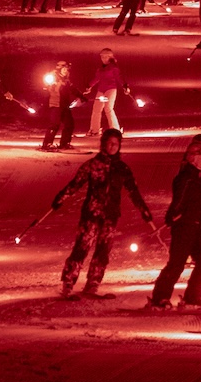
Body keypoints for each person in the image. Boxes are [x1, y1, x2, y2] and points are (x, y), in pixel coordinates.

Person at [52, 128, 154, 299]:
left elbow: (133, 191)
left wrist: (144, 211)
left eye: (116, 144)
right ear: (103, 144)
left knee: (103, 251)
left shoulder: (122, 168)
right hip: (92, 213)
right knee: (82, 248)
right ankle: (68, 283)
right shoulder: (93, 165)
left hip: (110, 215)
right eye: (109, 143)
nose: (112, 147)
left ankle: (93, 284)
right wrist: (60, 198)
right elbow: (76, 184)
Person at [148, 140, 201, 310]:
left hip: (196, 226)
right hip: (184, 226)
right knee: (177, 263)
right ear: (193, 157)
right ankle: (160, 297)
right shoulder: (186, 178)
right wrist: (172, 215)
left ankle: (193, 297)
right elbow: (178, 199)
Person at [84, 48, 131, 136]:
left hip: (111, 89)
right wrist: (89, 85)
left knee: (108, 108)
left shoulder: (114, 68)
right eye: (102, 57)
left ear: (110, 57)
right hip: (101, 90)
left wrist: (124, 86)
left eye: (106, 57)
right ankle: (95, 130)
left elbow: (119, 77)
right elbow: (97, 78)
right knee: (96, 109)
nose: (104, 59)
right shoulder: (101, 68)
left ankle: (115, 129)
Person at [41, 60, 83, 151]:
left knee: (69, 124)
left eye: (67, 69)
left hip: (65, 105)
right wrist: (50, 86)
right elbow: (47, 86)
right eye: (64, 68)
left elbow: (72, 89)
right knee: (54, 124)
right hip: (56, 104)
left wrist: (81, 96)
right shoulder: (53, 77)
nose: (66, 70)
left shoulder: (66, 78)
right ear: (59, 68)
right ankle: (47, 144)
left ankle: (64, 143)